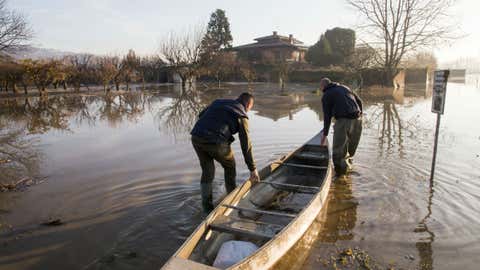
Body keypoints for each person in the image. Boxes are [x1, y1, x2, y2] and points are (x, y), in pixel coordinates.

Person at [191, 92, 259, 213]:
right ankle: (231, 199)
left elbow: (201, 115)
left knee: (207, 171)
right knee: (230, 166)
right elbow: (246, 144)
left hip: (196, 137)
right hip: (216, 142)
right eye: (250, 108)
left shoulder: (218, 102)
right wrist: (252, 168)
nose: (248, 111)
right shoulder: (241, 116)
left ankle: (207, 208)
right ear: (248, 105)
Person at [319, 78, 363, 176]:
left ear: (323, 86)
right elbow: (359, 101)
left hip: (343, 121)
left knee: (338, 151)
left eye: (320, 88)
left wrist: (325, 134)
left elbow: (327, 116)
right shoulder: (344, 87)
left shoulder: (327, 95)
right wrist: (361, 115)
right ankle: (348, 169)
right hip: (358, 120)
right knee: (351, 148)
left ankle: (340, 176)